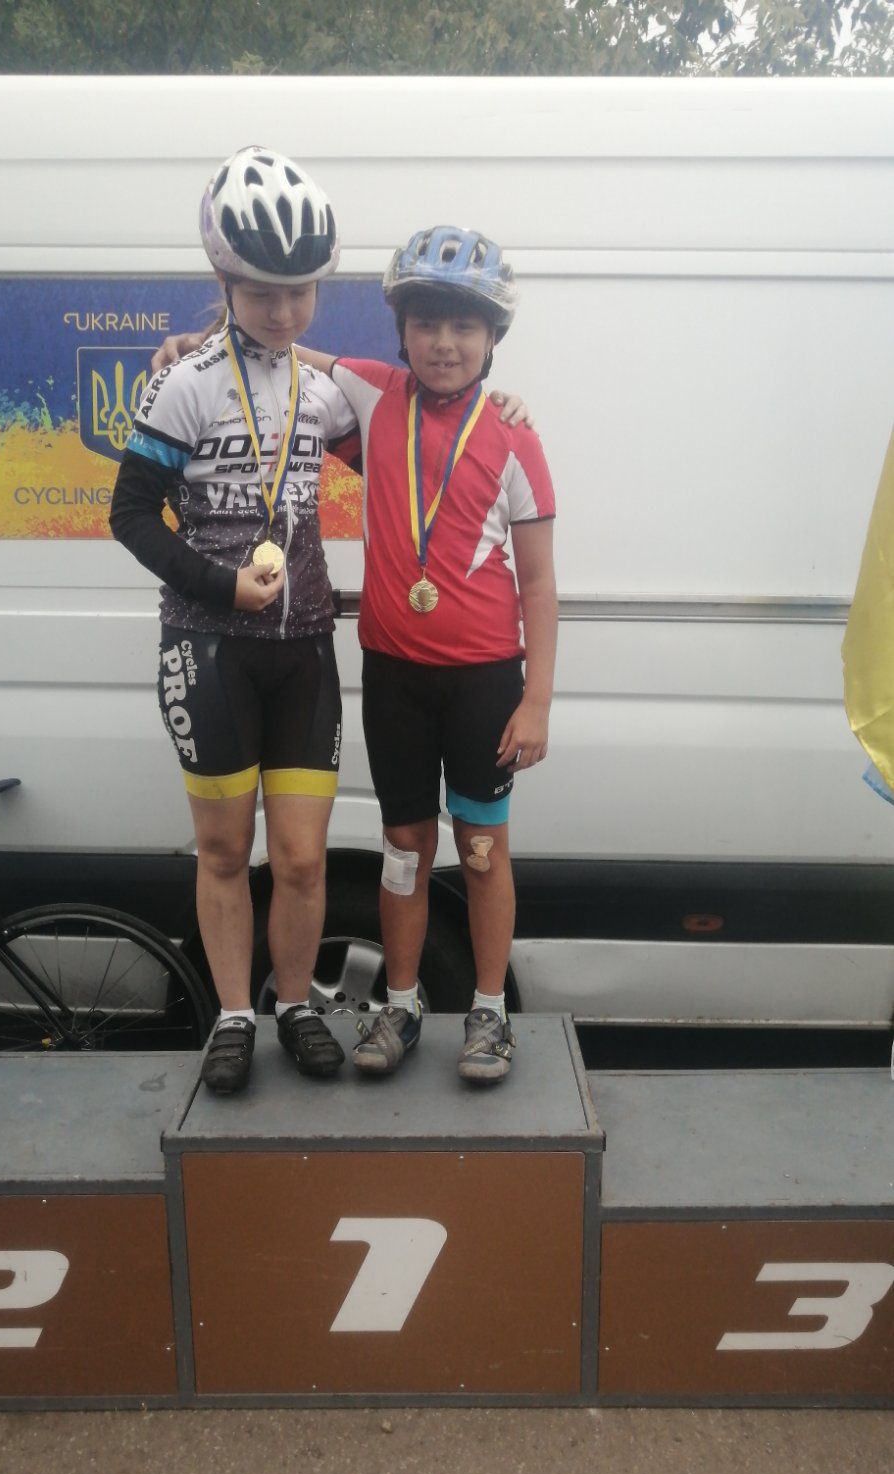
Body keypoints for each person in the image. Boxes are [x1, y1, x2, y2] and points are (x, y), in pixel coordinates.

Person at [110, 146, 363, 1095]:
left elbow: (413, 441)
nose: (285, 312)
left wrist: (496, 396)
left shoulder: (324, 389)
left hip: (303, 652)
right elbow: (131, 515)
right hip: (209, 648)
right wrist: (220, 587)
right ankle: (232, 1015)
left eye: (301, 292)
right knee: (224, 851)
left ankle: (294, 1005)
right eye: (263, 293)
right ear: (224, 281)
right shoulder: (183, 381)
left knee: (301, 859)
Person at [300, 226, 557, 1084]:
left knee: (481, 848)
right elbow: (277, 353)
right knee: (404, 844)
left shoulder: (515, 436)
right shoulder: (374, 395)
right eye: (426, 323)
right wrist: (198, 341)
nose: (445, 342)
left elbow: (539, 583)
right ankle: (402, 1003)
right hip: (395, 676)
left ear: (492, 337)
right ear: (401, 330)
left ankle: (488, 1013)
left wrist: (537, 700)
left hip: (485, 682)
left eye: (464, 326)